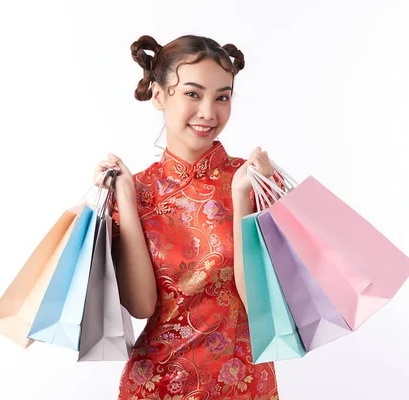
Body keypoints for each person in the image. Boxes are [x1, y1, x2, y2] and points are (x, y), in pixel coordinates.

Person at [93, 34, 280, 400]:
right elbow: (142, 305)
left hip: (244, 386)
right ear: (159, 96)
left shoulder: (253, 180)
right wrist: (127, 200)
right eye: (193, 94)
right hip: (157, 385)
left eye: (222, 97)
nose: (209, 112)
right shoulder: (139, 189)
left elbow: (261, 307)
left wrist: (243, 200)